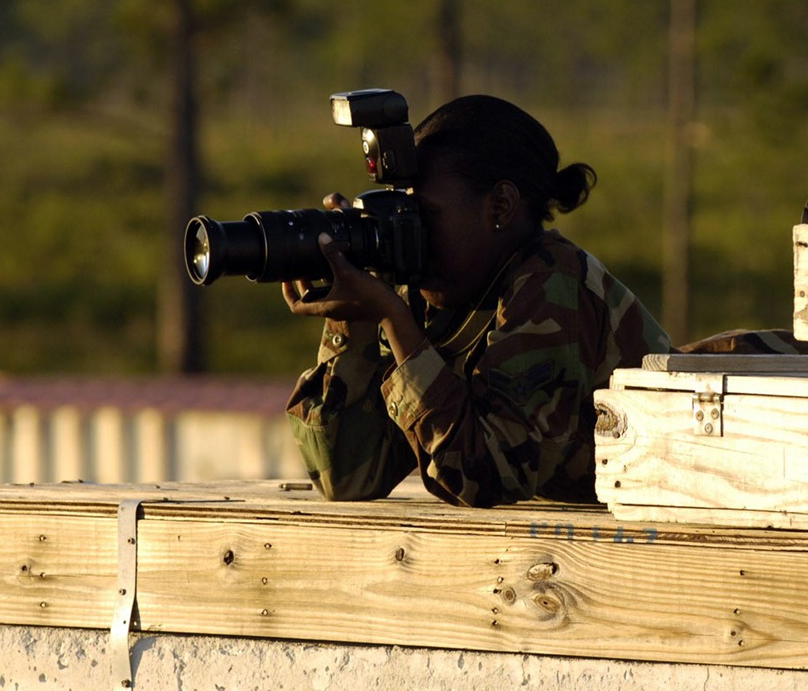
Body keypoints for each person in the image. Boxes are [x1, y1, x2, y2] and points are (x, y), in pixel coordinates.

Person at [283, 94, 672, 508]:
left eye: (426, 215)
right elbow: (346, 475)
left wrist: (394, 321)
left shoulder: (550, 282)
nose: (411, 233)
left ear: (500, 205)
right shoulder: (435, 294)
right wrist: (353, 320)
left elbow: (490, 476)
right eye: (403, 213)